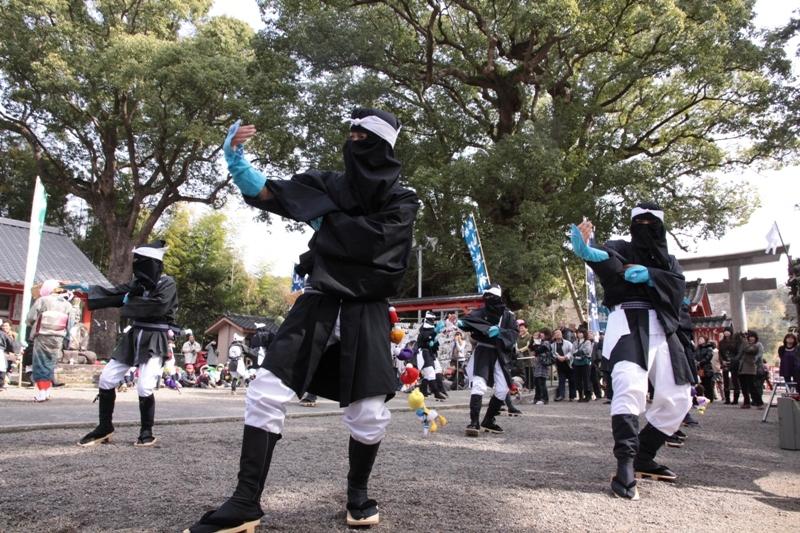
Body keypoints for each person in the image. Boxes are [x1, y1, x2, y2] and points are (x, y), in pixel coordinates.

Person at [187, 107, 416, 532]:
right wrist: (238, 163)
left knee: (368, 414)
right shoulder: (327, 183)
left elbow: (383, 248)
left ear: (383, 146)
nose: (353, 141)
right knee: (265, 391)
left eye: (363, 136)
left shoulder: (403, 200)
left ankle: (357, 493)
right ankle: (244, 502)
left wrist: (325, 218)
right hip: (319, 301)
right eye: (349, 134)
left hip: (366, 310)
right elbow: (275, 193)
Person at [571, 202, 693, 501]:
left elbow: (678, 288)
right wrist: (589, 252)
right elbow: (608, 260)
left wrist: (650, 274)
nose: (645, 226)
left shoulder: (670, 261)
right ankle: (624, 464)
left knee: (679, 398)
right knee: (629, 386)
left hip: (662, 327)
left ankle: (644, 454)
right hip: (626, 320)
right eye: (639, 221)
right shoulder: (620, 247)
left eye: (652, 221)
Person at [71, 240, 179, 447]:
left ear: (153, 264)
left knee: (145, 386)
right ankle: (105, 427)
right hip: (134, 335)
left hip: (154, 337)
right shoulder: (139, 283)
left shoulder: (167, 283)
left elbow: (158, 306)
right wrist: (88, 291)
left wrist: (130, 300)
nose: (138, 267)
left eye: (142, 263)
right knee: (107, 378)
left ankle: (146, 431)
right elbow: (117, 294)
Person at [459, 284, 519, 436]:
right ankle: (474, 422)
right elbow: (469, 322)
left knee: (503, 388)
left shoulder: (508, 316)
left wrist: (500, 332)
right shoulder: (480, 312)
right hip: (483, 351)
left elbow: (513, 333)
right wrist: (463, 324)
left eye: (492, 296)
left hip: (500, 354)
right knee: (478, 385)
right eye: (487, 296)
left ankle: (489, 420)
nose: (489, 300)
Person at [26, 280, 74, 402]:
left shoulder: (43, 300)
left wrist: (31, 324)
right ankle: (47, 391)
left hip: (43, 334)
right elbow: (70, 323)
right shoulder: (67, 304)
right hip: (58, 336)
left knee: (40, 362)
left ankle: (42, 391)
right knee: (50, 363)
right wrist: (66, 337)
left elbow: (31, 317)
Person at [416, 311, 448, 401]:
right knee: (430, 373)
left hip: (431, 353)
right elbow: (426, 337)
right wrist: (434, 333)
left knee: (436, 370)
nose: (433, 320)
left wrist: (436, 336)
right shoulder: (424, 328)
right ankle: (436, 393)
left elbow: (433, 342)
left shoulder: (431, 328)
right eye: (432, 319)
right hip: (424, 353)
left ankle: (424, 390)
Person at [738, 331, 765, 409]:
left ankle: (759, 403)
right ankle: (746, 402)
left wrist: (744, 342)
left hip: (751, 367)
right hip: (742, 367)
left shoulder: (756, 345)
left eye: (752, 336)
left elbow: (750, 350)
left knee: (752, 386)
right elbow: (740, 353)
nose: (751, 338)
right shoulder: (745, 344)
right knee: (743, 387)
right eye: (749, 336)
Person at [551, 329, 575, 401]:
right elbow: (552, 353)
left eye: (559, 333)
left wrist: (566, 357)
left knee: (572, 380)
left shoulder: (568, 343)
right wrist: (558, 357)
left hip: (569, 363)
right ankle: (561, 395)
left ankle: (572, 396)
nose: (558, 334)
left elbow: (572, 351)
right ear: (554, 335)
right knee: (561, 380)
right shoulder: (553, 345)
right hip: (559, 363)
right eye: (556, 333)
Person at [532, 329, 553, 404]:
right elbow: (532, 348)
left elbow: (539, 350)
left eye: (542, 333)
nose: (541, 334)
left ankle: (544, 398)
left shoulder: (546, 342)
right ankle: (537, 398)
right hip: (538, 364)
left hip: (543, 364)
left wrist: (536, 349)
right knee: (537, 382)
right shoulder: (540, 342)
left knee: (541, 382)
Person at [572, 328, 593, 401]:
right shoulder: (575, 342)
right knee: (578, 379)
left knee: (586, 379)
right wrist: (578, 352)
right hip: (576, 363)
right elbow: (573, 352)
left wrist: (578, 351)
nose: (579, 334)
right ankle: (580, 395)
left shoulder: (587, 342)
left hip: (585, 362)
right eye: (578, 333)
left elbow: (587, 351)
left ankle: (587, 395)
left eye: (581, 333)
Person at [718, 329, 738, 404]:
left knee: (735, 380)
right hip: (724, 362)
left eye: (728, 331)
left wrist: (733, 360)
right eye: (725, 331)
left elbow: (737, 352)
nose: (726, 332)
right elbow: (719, 353)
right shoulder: (721, 342)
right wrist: (722, 361)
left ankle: (735, 399)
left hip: (733, 362)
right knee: (725, 381)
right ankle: (727, 399)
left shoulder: (735, 342)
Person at [695, 336, 716, 402]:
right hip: (698, 367)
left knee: (708, 384)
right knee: (700, 383)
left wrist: (701, 362)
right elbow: (694, 356)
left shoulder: (709, 348)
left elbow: (708, 356)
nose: (700, 340)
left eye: (702, 339)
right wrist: (696, 362)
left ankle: (709, 398)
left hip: (706, 367)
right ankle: (701, 398)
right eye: (699, 339)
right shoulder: (697, 348)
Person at [516, 320, 533, 389]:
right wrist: (517, 349)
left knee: (529, 370)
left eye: (523, 328)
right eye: (520, 328)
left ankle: (530, 386)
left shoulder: (530, 336)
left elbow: (528, 346)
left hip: (528, 356)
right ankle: (524, 385)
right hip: (520, 356)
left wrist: (520, 350)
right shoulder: (518, 336)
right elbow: (516, 343)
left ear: (526, 329)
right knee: (522, 371)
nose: (521, 329)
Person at [590, 332, 605, 401]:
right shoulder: (584, 343)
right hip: (587, 363)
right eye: (589, 334)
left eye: (591, 334)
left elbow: (599, 353)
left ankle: (598, 394)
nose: (590, 335)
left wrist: (597, 362)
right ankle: (589, 394)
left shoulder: (596, 344)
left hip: (594, 364)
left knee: (595, 380)